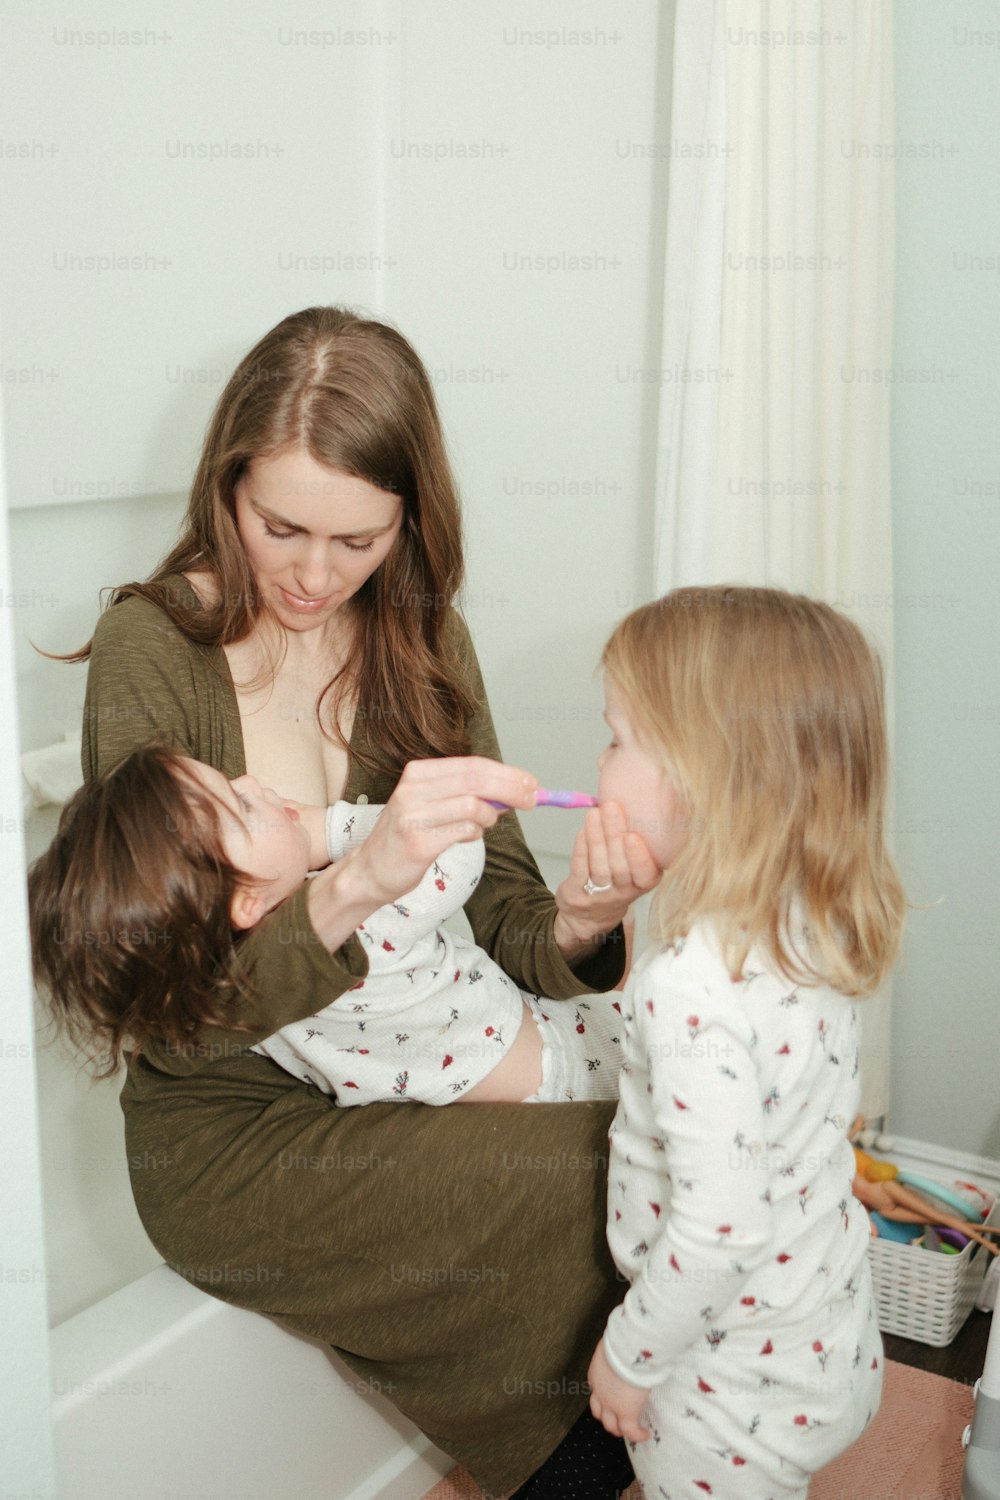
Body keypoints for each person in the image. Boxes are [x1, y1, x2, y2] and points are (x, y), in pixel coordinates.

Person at [64, 306, 660, 1499]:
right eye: (278, 525)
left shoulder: (426, 635)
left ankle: (633, 1446)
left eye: (357, 541)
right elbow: (160, 1012)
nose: (310, 575)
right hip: (238, 1128)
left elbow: (504, 916)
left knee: (665, 1142)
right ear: (225, 486)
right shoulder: (152, 647)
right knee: (604, 1168)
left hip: (425, 1051)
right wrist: (355, 884)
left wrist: (586, 920)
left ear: (408, 521)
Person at [584, 586, 907, 1499]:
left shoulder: (691, 986)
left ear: (704, 779)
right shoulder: (809, 922)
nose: (598, 761)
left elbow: (721, 1228)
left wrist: (628, 1357)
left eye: (615, 739)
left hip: (726, 1383)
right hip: (825, 1332)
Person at [29, 744, 624, 1106]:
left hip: (516, 1067)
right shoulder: (357, 939)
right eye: (239, 807)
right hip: (564, 1072)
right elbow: (458, 857)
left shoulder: (239, 991)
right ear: (245, 904)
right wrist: (327, 828)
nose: (252, 783)